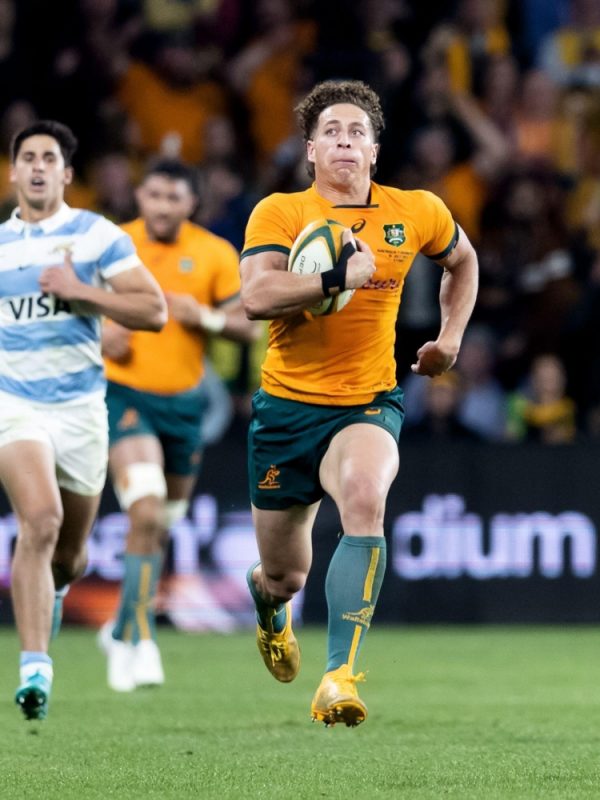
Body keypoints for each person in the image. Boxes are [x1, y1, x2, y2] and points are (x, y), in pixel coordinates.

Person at [239, 79, 479, 727]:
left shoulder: (417, 211)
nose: (344, 141)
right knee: (284, 575)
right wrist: (333, 278)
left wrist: (449, 341)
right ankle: (268, 606)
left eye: (356, 132)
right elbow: (256, 299)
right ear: (311, 151)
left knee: (366, 497)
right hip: (287, 411)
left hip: (367, 402)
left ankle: (339, 678)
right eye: (332, 132)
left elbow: (464, 261)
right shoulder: (281, 213)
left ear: (374, 150)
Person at [0, 120, 167, 721]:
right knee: (37, 520)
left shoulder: (95, 236)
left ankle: (57, 588)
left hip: (80, 412)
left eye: (50, 158)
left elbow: (154, 309)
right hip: (14, 405)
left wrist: (81, 293)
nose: (39, 167)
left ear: (68, 174)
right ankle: (35, 671)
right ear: (14, 171)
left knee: (69, 554)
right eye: (29, 158)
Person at [99, 158, 259, 692]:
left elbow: (247, 325)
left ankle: (121, 622)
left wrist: (206, 318)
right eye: (154, 195)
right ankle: (139, 637)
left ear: (192, 203)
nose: (162, 206)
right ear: (139, 197)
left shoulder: (214, 252)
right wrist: (100, 331)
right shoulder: (112, 243)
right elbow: (63, 303)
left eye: (174, 198)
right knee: (143, 508)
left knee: (160, 523)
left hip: (184, 406)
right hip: (124, 395)